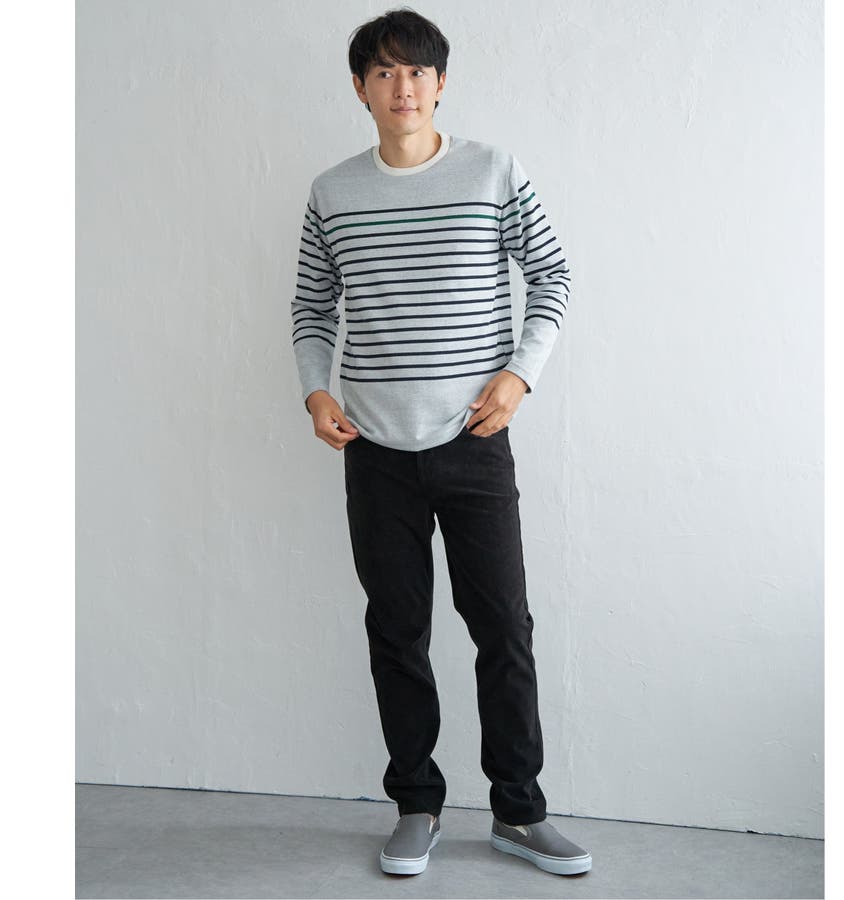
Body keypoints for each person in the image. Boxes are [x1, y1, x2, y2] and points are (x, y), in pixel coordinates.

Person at [290, 7, 591, 878]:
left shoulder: (492, 171)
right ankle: (416, 804)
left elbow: (553, 272)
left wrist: (520, 375)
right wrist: (316, 390)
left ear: (441, 82)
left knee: (503, 626)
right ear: (360, 88)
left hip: (473, 442)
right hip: (375, 449)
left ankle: (519, 812)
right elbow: (312, 305)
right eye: (384, 72)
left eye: (417, 71)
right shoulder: (333, 191)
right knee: (397, 630)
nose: (403, 86)